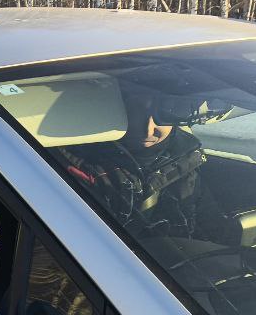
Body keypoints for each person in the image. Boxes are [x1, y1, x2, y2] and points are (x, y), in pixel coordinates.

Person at [53, 90, 233, 243]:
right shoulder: (79, 169)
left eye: (161, 115)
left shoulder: (185, 162)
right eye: (134, 111)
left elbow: (213, 231)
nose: (148, 128)